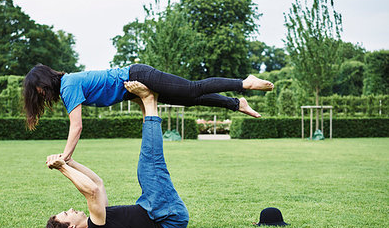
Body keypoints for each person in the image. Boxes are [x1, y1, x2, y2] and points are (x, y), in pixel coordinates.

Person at [23, 63, 273, 162]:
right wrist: (145, 106)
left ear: (44, 82)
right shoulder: (70, 84)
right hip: (134, 86)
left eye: (39, 91)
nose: (42, 95)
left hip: (138, 75)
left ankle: (244, 82)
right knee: (189, 100)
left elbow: (76, 126)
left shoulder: (69, 86)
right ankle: (235, 104)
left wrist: (65, 156)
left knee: (191, 89)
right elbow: (118, 92)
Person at [44, 82, 189, 228]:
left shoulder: (99, 217)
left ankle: (146, 105)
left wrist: (70, 162)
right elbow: (92, 191)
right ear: (71, 227)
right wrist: (63, 168)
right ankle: (149, 100)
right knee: (150, 165)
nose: (71, 209)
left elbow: (98, 183)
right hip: (167, 219)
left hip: (154, 209)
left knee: (147, 167)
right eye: (66, 214)